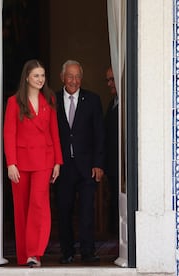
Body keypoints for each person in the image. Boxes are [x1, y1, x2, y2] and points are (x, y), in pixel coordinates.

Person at [3, 59, 63, 268]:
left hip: (44, 161)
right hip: (20, 162)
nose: (40, 79)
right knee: (21, 208)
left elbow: (54, 132)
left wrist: (58, 161)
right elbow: (9, 134)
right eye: (36, 75)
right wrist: (11, 163)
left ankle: (34, 252)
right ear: (27, 77)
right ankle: (24, 255)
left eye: (43, 75)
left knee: (39, 205)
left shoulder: (50, 99)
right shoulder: (14, 102)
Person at [54, 60, 105, 264]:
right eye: (70, 76)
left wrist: (98, 163)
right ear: (62, 77)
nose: (74, 81)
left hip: (87, 167)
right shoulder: (52, 100)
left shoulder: (92, 100)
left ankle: (87, 251)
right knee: (64, 210)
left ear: (81, 78)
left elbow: (99, 134)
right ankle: (67, 252)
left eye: (77, 77)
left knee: (86, 211)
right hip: (62, 166)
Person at [104, 66, 119, 234]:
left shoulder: (124, 103)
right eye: (107, 80)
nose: (109, 84)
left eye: (112, 79)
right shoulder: (112, 103)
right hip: (112, 163)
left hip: (121, 163)